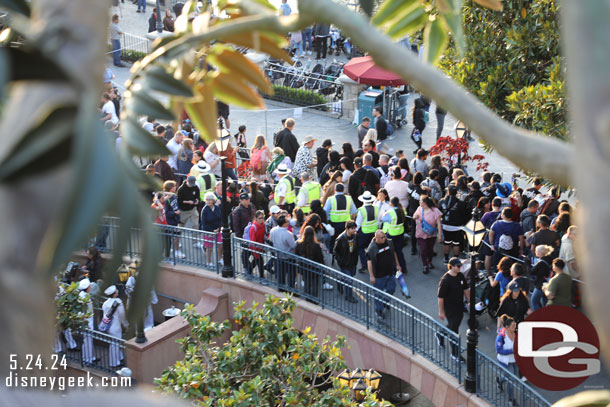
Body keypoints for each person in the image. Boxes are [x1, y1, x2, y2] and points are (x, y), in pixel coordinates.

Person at [436, 258, 469, 362]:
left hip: (459, 306)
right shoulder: (445, 280)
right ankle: (455, 354)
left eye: (460, 266)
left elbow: (466, 289)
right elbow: (440, 298)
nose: (460, 268)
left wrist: (469, 302)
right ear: (452, 266)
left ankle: (440, 334)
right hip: (449, 309)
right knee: (454, 331)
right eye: (458, 266)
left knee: (453, 326)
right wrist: (441, 311)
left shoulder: (460, 276)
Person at [367, 230, 400, 321]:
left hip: (389, 273)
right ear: (376, 238)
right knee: (378, 294)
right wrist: (371, 276)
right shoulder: (372, 248)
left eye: (384, 236)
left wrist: (398, 265)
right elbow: (369, 262)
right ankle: (379, 311)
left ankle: (385, 301)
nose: (384, 239)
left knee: (392, 288)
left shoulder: (389, 242)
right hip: (379, 276)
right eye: (382, 238)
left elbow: (394, 253)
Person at [413, 196, 443, 273]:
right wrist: (415, 217)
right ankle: (425, 265)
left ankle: (429, 261)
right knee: (423, 250)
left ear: (425, 203)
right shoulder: (419, 209)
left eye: (421, 201)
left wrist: (439, 235)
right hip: (420, 234)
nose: (419, 202)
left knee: (430, 250)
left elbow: (439, 224)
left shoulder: (435, 211)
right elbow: (414, 216)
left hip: (431, 234)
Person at [439, 185, 468, 264]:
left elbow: (439, 212)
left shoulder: (442, 201)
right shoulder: (461, 203)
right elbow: (464, 214)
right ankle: (455, 259)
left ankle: (445, 258)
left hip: (445, 225)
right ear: (456, 193)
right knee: (456, 243)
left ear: (448, 192)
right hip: (457, 227)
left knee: (447, 242)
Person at [295, 225, 325, 301]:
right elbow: (320, 258)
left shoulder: (299, 244)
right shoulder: (316, 245)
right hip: (314, 268)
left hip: (304, 267)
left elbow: (296, 255)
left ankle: (307, 298)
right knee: (315, 283)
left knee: (307, 282)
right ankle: (314, 299)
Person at [496, 315, 519, 406]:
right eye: (513, 326)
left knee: (513, 376)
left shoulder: (516, 333)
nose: (515, 327)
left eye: (515, 326)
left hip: (515, 360)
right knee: (511, 379)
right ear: (507, 327)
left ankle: (499, 380)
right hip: (505, 361)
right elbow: (499, 350)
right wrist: (512, 350)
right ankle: (511, 399)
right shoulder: (501, 337)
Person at [102, 285, 128, 367]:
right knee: (114, 345)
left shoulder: (105, 303)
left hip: (109, 326)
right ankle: (114, 362)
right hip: (116, 327)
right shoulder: (118, 302)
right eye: (116, 290)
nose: (117, 291)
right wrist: (126, 324)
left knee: (114, 344)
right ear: (115, 293)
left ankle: (119, 358)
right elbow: (122, 315)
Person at [381, 197, 408, 274]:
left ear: (391, 203)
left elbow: (383, 219)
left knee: (391, 252)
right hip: (400, 233)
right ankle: (403, 267)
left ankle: (394, 269)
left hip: (391, 234)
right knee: (399, 251)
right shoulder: (402, 210)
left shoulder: (390, 212)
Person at [269, 215, 297, 290]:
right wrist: (299, 239)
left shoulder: (273, 230)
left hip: (278, 256)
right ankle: (291, 290)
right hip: (288, 257)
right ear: (284, 224)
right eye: (287, 221)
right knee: (291, 275)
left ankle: (281, 289)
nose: (289, 222)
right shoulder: (288, 234)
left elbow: (271, 240)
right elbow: (293, 245)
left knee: (281, 274)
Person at [324, 183, 356, 248]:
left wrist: (328, 220)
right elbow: (354, 211)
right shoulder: (349, 198)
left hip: (334, 224)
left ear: (335, 190)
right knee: (346, 240)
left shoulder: (330, 199)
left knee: (334, 241)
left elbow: (325, 212)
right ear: (343, 190)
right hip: (346, 224)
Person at [334, 221, 359, 303]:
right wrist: (340, 261)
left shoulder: (355, 236)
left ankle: (340, 281)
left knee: (351, 276)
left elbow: (356, 248)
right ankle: (349, 296)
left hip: (352, 262)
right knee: (349, 280)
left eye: (355, 228)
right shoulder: (341, 238)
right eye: (352, 228)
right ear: (347, 229)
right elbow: (335, 251)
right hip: (344, 263)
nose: (354, 230)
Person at [355, 191, 378, 274]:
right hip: (374, 231)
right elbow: (378, 220)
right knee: (373, 248)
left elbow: (358, 223)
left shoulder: (361, 210)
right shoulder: (376, 208)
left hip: (364, 232)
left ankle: (365, 265)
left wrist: (355, 231)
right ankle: (375, 264)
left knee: (361, 248)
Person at [163, 180, 185, 259]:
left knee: (177, 236)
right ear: (170, 188)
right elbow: (166, 212)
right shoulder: (166, 199)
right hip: (170, 222)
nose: (176, 187)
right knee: (173, 237)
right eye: (174, 186)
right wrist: (174, 213)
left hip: (175, 220)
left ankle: (176, 250)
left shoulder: (174, 196)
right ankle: (175, 251)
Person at [200, 192, 222, 268]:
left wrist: (218, 228)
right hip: (208, 231)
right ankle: (208, 262)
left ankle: (220, 259)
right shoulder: (204, 210)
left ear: (213, 200)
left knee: (220, 245)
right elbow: (204, 223)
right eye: (207, 200)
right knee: (209, 248)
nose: (209, 201)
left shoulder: (217, 208)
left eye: (210, 200)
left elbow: (220, 219)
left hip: (217, 230)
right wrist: (212, 231)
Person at [530, 245, 554, 310]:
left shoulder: (540, 263)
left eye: (536, 251)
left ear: (540, 253)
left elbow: (532, 272)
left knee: (534, 301)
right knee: (545, 302)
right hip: (548, 284)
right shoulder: (551, 259)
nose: (535, 252)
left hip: (540, 285)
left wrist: (527, 263)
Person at [247, 210, 267, 278]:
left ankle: (249, 271)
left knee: (256, 261)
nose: (261, 220)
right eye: (259, 218)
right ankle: (262, 276)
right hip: (255, 248)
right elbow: (253, 240)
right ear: (255, 218)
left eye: (262, 218)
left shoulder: (263, 225)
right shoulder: (253, 227)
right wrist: (255, 251)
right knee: (260, 261)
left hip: (260, 247)